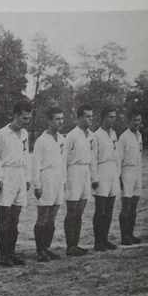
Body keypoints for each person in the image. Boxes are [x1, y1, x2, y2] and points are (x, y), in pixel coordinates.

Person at [0, 102, 32, 266]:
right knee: (5, 218)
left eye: (29, 117)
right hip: (6, 174)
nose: (27, 120)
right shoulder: (2, 134)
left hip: (20, 175)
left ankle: (11, 252)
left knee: (15, 218)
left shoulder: (24, 133)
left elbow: (26, 155)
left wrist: (27, 177)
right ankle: (3, 255)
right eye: (24, 117)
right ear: (15, 115)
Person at [32, 107, 66, 262]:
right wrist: (37, 185)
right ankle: (40, 251)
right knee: (43, 216)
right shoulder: (41, 140)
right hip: (46, 178)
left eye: (61, 119)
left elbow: (63, 162)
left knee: (52, 216)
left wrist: (64, 181)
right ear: (50, 121)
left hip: (58, 179)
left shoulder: (62, 139)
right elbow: (35, 164)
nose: (60, 122)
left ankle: (47, 247)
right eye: (57, 119)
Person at [63, 105, 94, 257]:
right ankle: (70, 246)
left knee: (80, 211)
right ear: (80, 117)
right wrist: (64, 178)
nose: (90, 119)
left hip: (85, 172)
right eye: (87, 116)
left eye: (91, 116)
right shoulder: (71, 136)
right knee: (72, 210)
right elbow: (64, 159)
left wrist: (93, 176)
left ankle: (76, 244)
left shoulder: (91, 135)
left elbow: (92, 157)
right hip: (73, 172)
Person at [91, 106, 121, 251]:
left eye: (114, 117)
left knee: (109, 209)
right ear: (103, 118)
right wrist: (94, 177)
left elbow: (116, 155)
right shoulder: (96, 135)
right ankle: (98, 242)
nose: (113, 120)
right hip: (101, 171)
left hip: (112, 172)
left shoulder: (114, 134)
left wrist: (118, 174)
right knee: (100, 210)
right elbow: (93, 158)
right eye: (110, 117)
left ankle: (105, 239)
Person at [118, 110, 144, 244]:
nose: (137, 123)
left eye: (139, 120)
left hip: (137, 171)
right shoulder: (123, 137)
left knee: (134, 205)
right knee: (126, 205)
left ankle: (131, 233)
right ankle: (124, 236)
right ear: (128, 121)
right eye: (134, 120)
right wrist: (120, 177)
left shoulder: (139, 135)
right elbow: (119, 160)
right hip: (127, 171)